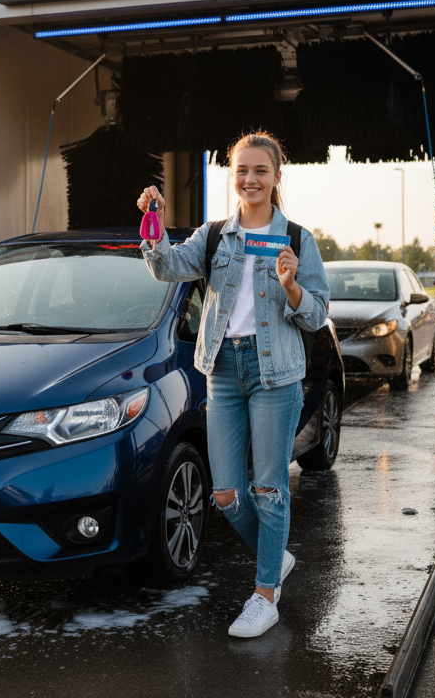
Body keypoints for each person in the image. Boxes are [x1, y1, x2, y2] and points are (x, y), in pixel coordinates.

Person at [136, 132, 329, 638]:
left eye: (261, 171)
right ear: (233, 176)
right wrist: (152, 225)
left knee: (268, 488)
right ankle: (275, 553)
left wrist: (291, 287)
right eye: (242, 170)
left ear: (276, 177)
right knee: (225, 494)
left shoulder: (299, 240)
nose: (250, 179)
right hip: (222, 368)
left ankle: (266, 595)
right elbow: (167, 267)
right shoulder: (216, 234)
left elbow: (318, 315)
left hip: (275, 373)